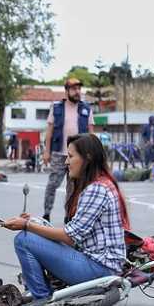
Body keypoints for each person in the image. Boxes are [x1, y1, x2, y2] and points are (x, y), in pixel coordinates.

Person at [1, 134, 128, 301]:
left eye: (71, 156)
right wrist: (35, 222)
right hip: (101, 264)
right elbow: (75, 232)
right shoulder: (102, 183)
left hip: (99, 269)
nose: (66, 162)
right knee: (35, 229)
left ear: (87, 158)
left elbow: (69, 238)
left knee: (23, 240)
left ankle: (42, 302)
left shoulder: (96, 189)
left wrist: (26, 225)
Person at [42, 78, 94, 222]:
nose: (77, 92)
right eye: (74, 89)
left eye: (79, 89)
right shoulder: (56, 107)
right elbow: (49, 131)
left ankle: (69, 216)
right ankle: (46, 213)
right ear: (67, 91)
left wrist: (91, 153)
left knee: (73, 188)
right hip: (59, 153)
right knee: (52, 184)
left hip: (78, 155)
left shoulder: (86, 109)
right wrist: (46, 151)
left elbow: (91, 133)